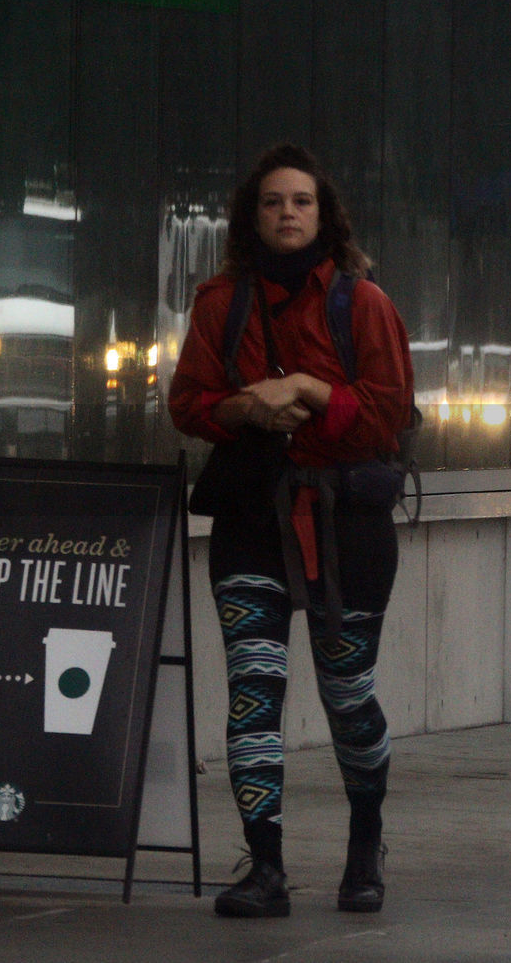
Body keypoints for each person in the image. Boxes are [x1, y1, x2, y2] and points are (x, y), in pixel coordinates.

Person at [169, 144, 413, 918]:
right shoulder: (219, 301)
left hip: (348, 528)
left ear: (324, 214)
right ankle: (265, 865)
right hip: (251, 519)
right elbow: (187, 403)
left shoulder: (362, 303)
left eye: (301, 201)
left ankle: (365, 838)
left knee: (348, 695)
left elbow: (387, 415)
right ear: (252, 216)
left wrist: (308, 387)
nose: (287, 213)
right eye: (273, 201)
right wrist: (242, 408)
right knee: (252, 692)